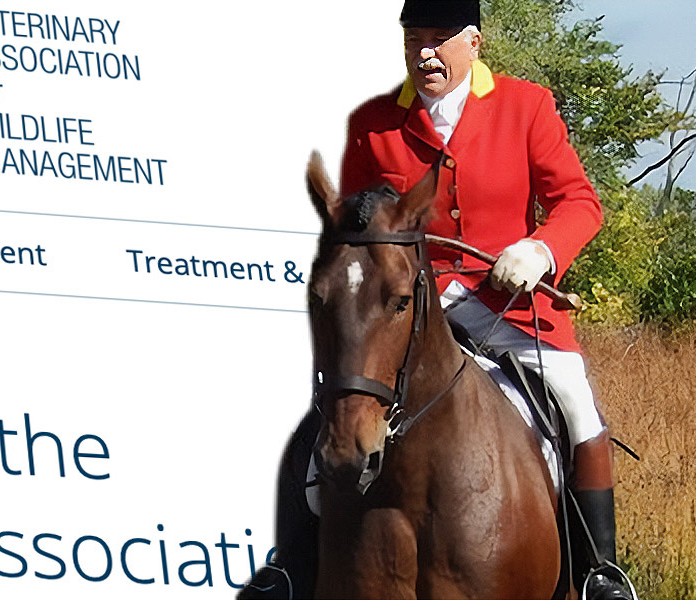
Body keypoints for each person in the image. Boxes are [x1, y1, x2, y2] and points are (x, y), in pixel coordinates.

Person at [240, 1, 634, 598]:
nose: (424, 53)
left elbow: (579, 202)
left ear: (473, 43)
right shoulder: (374, 124)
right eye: (414, 40)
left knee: (577, 406)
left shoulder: (526, 107)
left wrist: (540, 250)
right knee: (326, 419)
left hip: (508, 306)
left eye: (438, 39)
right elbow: (359, 227)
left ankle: (600, 571)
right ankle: (292, 568)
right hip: (413, 308)